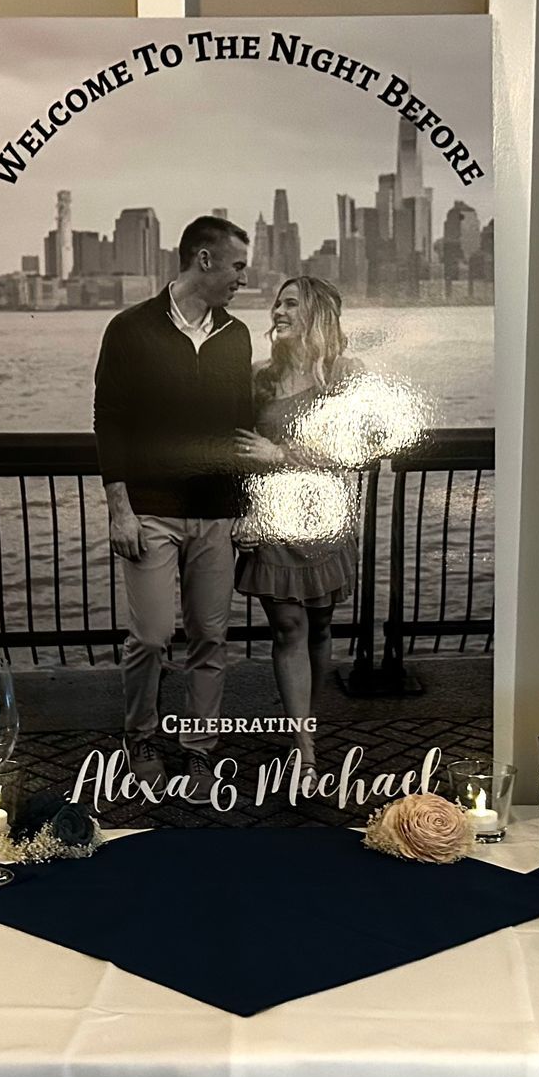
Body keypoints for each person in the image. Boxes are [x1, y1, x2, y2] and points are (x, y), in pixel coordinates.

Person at [92, 215, 253, 790]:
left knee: (211, 637)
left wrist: (247, 508)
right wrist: (120, 509)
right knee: (153, 635)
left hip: (217, 514)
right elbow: (109, 421)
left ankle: (200, 749)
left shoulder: (236, 336)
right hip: (150, 511)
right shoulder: (130, 329)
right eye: (237, 266)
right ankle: (139, 736)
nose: (243, 278)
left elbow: (240, 427)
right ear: (204, 260)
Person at [232, 276, 366, 775]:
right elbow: (238, 452)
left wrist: (281, 454)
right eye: (277, 304)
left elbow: (352, 449)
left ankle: (308, 718)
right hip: (272, 519)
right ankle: (303, 747)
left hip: (324, 518)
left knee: (321, 623)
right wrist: (244, 509)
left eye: (291, 304)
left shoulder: (346, 374)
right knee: (289, 626)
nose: (278, 312)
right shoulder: (258, 379)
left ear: (315, 316)